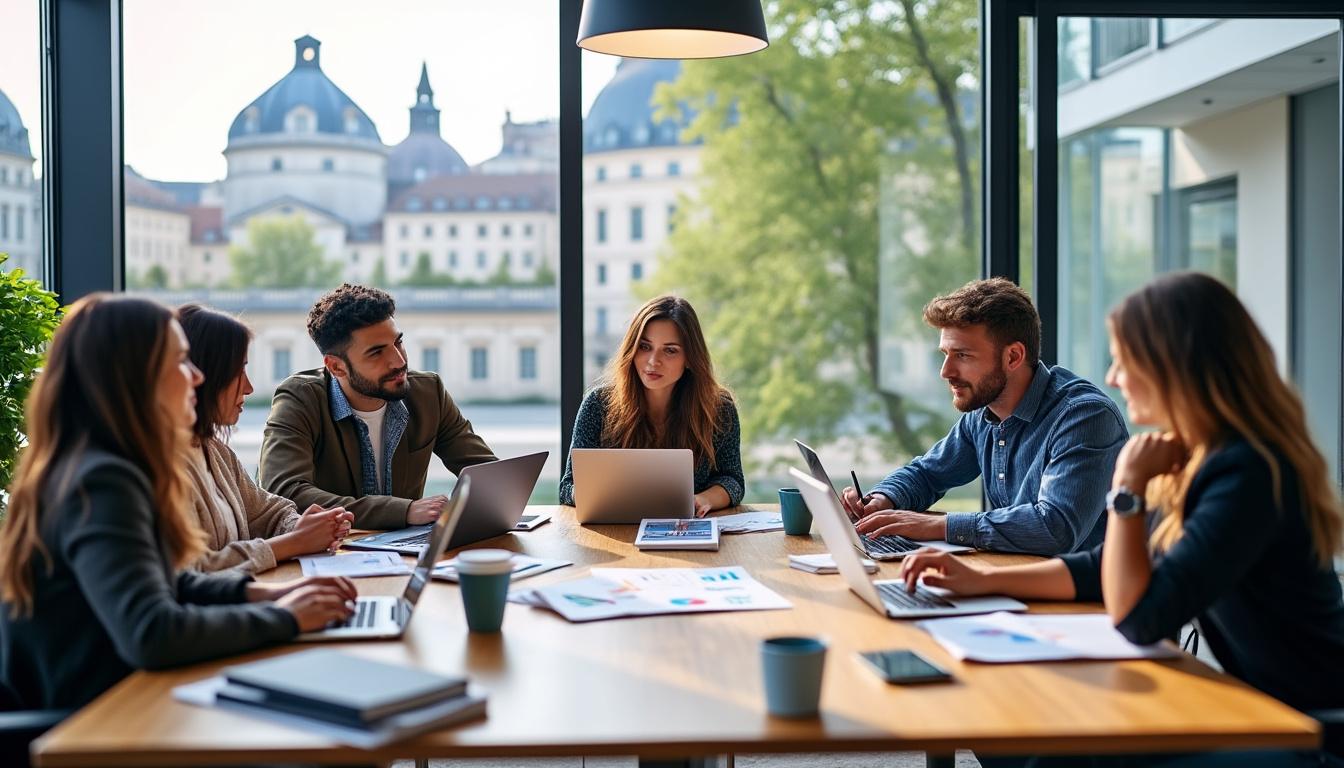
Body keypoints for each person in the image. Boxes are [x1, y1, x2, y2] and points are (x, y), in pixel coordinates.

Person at [900, 273, 1344, 767]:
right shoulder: (1201, 459)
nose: (1113, 377)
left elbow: (1140, 618)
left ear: (1173, 366)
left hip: (1310, 730)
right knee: (1021, 732)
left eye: (1124, 360)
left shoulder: (1247, 473)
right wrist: (977, 580)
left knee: (1064, 752)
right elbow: (1101, 566)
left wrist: (1128, 490)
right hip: (1261, 711)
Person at [0, 295, 355, 710]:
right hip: (88, 722)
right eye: (181, 361)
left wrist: (274, 596)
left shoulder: (102, 464)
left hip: (117, 702)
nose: (197, 377)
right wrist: (288, 617)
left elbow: (172, 582)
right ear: (136, 376)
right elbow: (152, 633)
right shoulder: (102, 481)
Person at [842, 278, 1128, 555]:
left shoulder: (1085, 417)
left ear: (1013, 357)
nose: (945, 371)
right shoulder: (984, 412)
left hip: (1080, 588)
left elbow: (1055, 527)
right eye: (945, 354)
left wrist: (938, 526)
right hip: (1012, 578)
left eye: (963, 356)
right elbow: (928, 474)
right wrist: (882, 499)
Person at [260, 283, 496, 530]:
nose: (399, 361)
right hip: (331, 547)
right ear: (336, 367)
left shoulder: (428, 392)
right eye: (376, 353)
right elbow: (284, 492)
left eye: (398, 342)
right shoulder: (300, 399)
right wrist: (404, 511)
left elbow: (487, 472)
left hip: (405, 548)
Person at [177, 304, 354, 573]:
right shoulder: (162, 466)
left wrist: (299, 526)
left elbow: (267, 512)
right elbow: (191, 571)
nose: (248, 387)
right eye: (236, 372)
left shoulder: (215, 451)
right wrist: (295, 542)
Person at [559, 295, 743, 516]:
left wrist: (703, 500)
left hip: (686, 528)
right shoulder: (597, 405)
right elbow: (568, 486)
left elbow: (732, 480)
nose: (653, 361)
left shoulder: (719, 409)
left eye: (670, 350)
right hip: (614, 529)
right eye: (645, 346)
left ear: (690, 358)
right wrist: (594, 496)